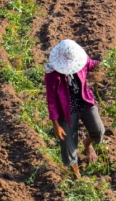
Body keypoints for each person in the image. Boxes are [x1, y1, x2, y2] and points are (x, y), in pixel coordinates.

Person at [45, 40, 105, 178]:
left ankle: (87, 144)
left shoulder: (82, 61)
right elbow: (52, 101)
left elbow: (93, 65)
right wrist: (56, 124)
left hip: (84, 102)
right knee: (68, 144)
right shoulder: (52, 74)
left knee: (98, 130)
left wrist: (114, 66)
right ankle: (77, 176)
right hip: (66, 110)